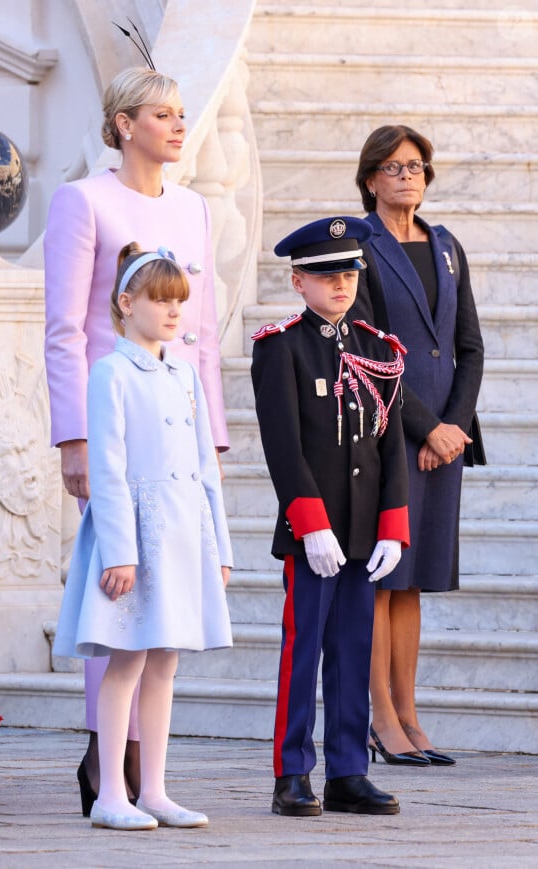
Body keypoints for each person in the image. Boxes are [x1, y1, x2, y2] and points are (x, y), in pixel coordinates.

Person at [44, 66, 229, 814]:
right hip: (112, 412)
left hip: (178, 422)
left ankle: (141, 777)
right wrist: (74, 439)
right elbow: (65, 328)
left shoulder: (194, 209)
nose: (178, 126)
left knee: (165, 625)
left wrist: (210, 434)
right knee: (117, 594)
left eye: (182, 114)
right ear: (124, 124)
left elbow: (206, 335)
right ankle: (107, 762)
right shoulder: (82, 200)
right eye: (162, 114)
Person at [53, 243, 233, 830]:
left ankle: (154, 789)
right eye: (159, 299)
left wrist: (220, 548)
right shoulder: (110, 371)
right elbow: (107, 465)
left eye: (179, 300)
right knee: (125, 662)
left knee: (165, 662)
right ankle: (110, 795)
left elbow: (206, 465)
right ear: (126, 304)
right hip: (134, 532)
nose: (172, 311)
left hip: (183, 532)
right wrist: (121, 552)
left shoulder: (183, 372)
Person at [251, 216, 410, 817]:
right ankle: (292, 772)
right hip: (312, 532)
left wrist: (393, 525)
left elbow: (388, 443)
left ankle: (348, 771)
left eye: (347, 272)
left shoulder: (378, 349)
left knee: (354, 647)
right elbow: (283, 447)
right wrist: (308, 522)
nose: (339, 284)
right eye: (324, 274)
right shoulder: (282, 347)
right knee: (305, 649)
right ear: (299, 282)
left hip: (365, 530)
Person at [354, 125, 484, 766]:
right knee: (382, 579)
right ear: (371, 178)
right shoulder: (360, 246)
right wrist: (423, 426)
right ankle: (380, 716)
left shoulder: (448, 245)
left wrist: (453, 428)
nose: (408, 176)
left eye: (417, 166)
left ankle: (408, 711)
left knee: (414, 582)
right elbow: (366, 352)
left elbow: (469, 346)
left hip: (444, 445)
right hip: (389, 435)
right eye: (395, 166)